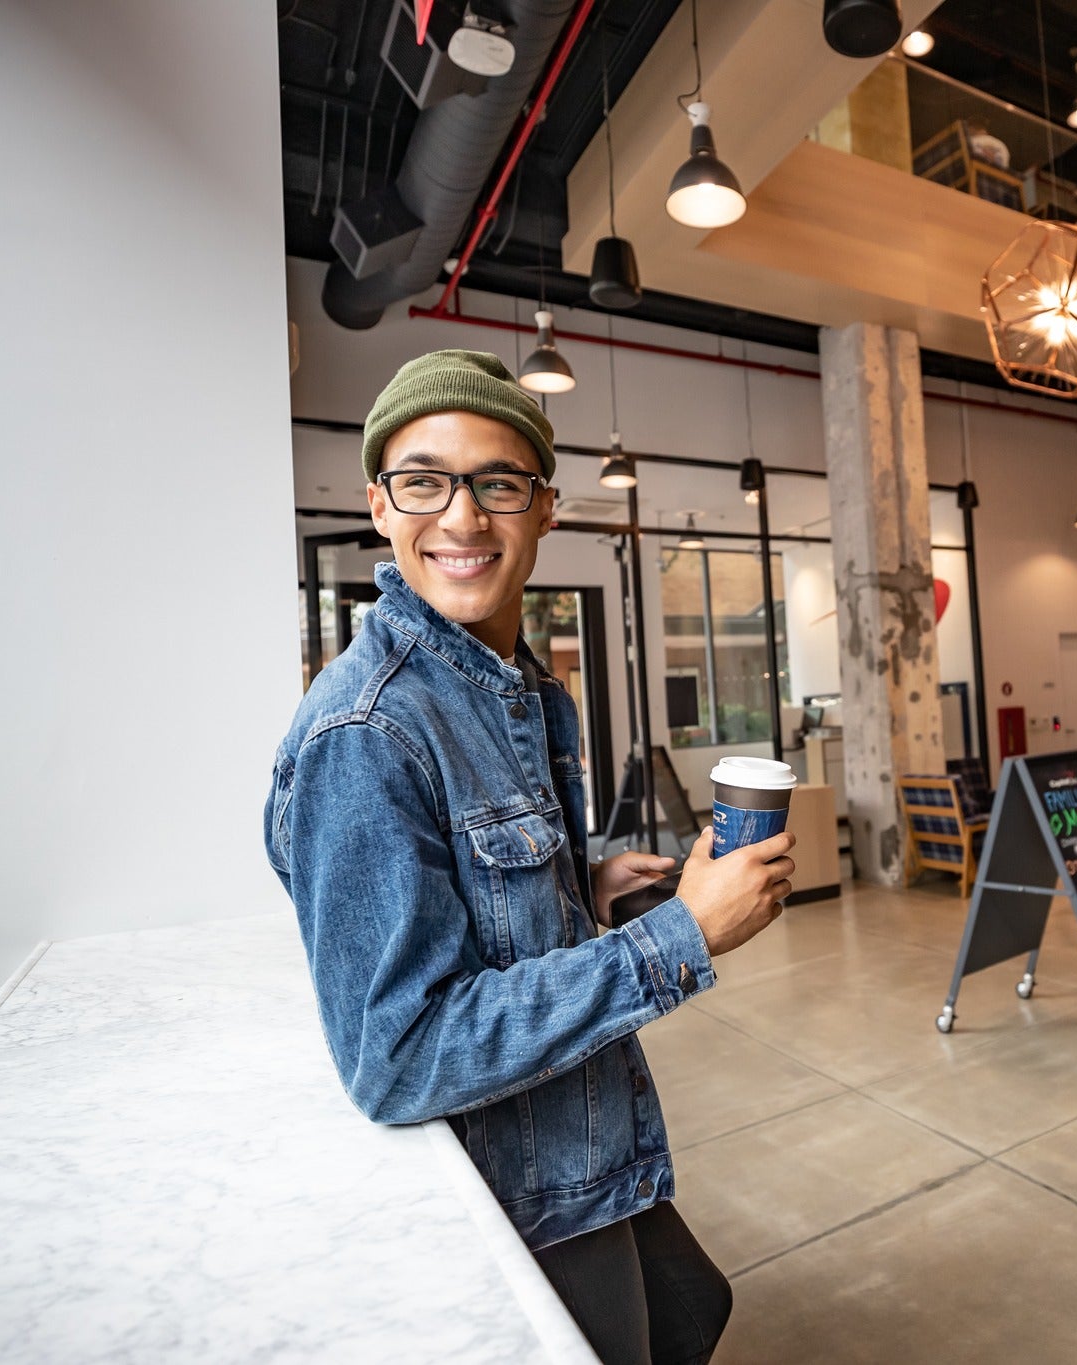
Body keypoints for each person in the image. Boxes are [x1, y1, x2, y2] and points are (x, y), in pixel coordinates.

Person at [266, 350, 796, 1364]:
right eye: (423, 481)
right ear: (379, 505)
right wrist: (683, 936)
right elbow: (400, 1056)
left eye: (497, 483)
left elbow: (458, 917)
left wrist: (574, 890)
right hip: (518, 1201)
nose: (461, 518)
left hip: (581, 1154)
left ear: (545, 509)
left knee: (689, 1315)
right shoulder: (366, 733)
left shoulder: (515, 689)